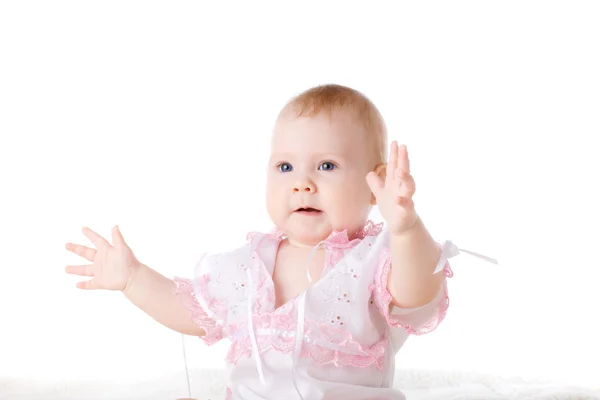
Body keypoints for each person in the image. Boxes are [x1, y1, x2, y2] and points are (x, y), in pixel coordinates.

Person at [65, 84, 496, 399]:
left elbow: (416, 290)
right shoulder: (249, 264)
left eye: (327, 165)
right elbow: (192, 310)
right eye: (285, 167)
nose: (303, 184)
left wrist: (405, 228)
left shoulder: (374, 258)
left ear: (375, 184)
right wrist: (134, 279)